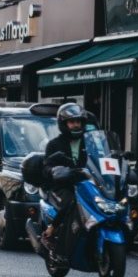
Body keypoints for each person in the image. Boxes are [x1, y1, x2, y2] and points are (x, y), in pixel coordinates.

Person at [41, 102, 88, 261]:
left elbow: (100, 159)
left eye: (78, 121)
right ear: (64, 124)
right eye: (72, 122)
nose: (76, 125)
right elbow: (46, 167)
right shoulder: (54, 145)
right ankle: (53, 234)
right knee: (71, 204)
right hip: (61, 186)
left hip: (85, 185)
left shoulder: (89, 143)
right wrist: (55, 171)